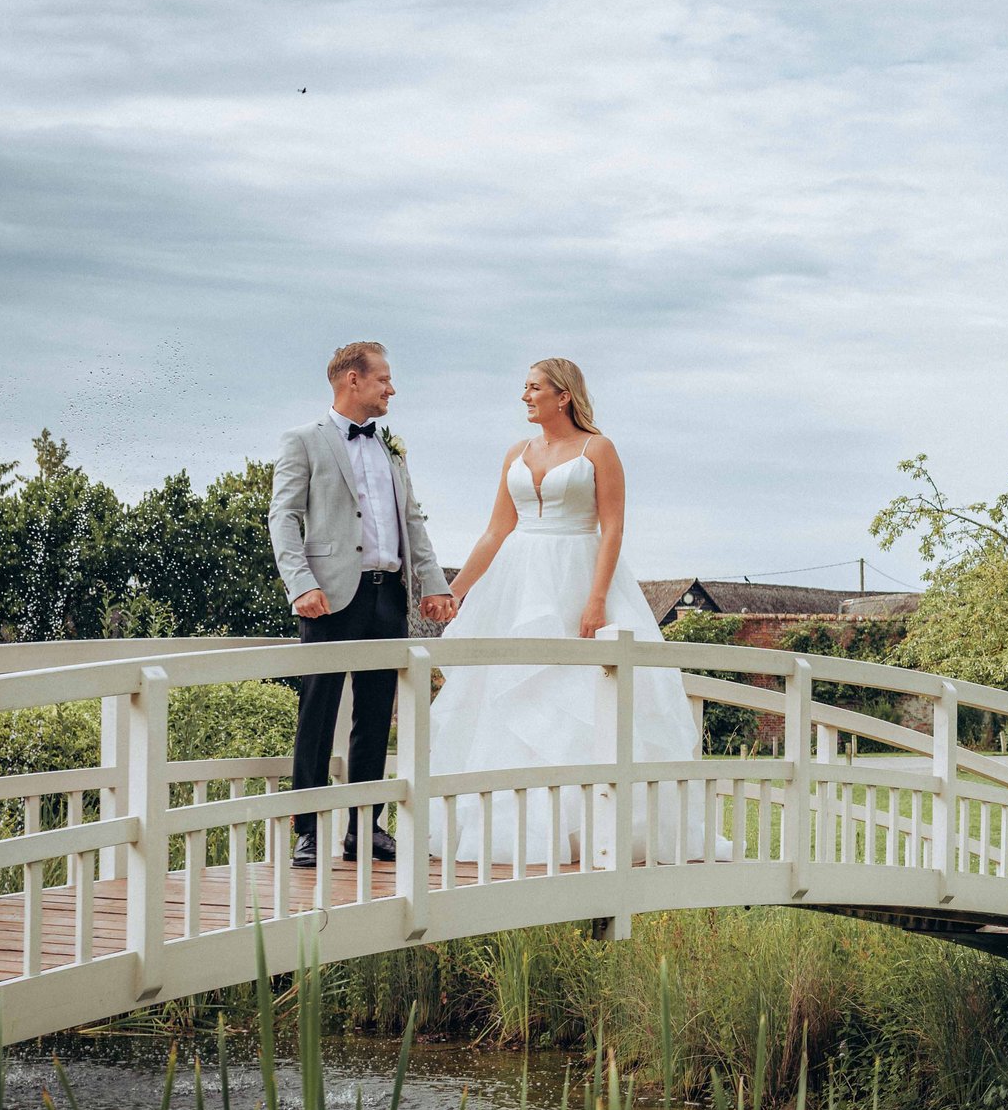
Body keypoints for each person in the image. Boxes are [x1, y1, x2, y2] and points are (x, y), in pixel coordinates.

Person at [428, 358, 700, 865]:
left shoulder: (599, 449)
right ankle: (510, 830)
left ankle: (588, 831)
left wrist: (596, 599)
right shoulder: (517, 452)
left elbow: (613, 527)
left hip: (577, 572)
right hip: (516, 582)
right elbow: (496, 531)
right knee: (506, 694)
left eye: (533, 388)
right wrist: (456, 591)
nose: (525, 396)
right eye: (524, 389)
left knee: (575, 692)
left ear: (563, 395)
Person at [268, 341, 458, 869]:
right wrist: (300, 583)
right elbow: (282, 517)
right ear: (353, 380)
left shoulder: (391, 449)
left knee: (376, 717)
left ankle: (364, 828)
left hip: (387, 595)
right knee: (319, 710)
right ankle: (306, 830)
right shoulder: (303, 441)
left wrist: (434, 584)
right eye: (384, 380)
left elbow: (412, 521)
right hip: (327, 597)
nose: (391, 389)